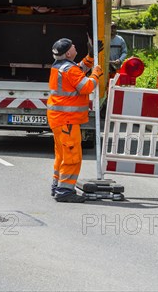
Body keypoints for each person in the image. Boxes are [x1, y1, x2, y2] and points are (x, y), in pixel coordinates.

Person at [47, 37, 103, 203]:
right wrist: (96, 74)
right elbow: (86, 86)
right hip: (67, 121)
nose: (75, 47)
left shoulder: (61, 66)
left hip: (59, 120)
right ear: (69, 52)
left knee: (62, 155)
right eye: (73, 46)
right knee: (72, 157)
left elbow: (78, 69)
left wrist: (90, 57)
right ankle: (65, 191)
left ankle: (57, 185)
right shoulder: (69, 70)